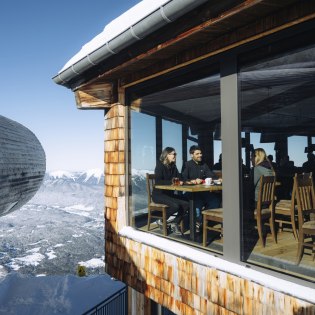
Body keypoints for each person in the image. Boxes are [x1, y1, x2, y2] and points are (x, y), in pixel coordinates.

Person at [182, 145, 221, 231]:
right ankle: (197, 223)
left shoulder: (204, 164)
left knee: (215, 201)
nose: (200, 155)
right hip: (191, 193)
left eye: (200, 153)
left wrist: (218, 179)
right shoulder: (187, 165)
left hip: (203, 192)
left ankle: (202, 220)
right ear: (191, 155)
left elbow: (211, 175)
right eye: (197, 154)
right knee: (198, 205)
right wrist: (193, 181)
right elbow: (183, 178)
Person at [152, 147, 189, 235]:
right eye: (173, 154)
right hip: (158, 195)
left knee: (187, 203)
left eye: (175, 154)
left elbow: (179, 177)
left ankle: (175, 222)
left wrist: (187, 180)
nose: (175, 156)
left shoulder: (173, 166)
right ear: (166, 155)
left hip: (168, 194)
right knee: (175, 206)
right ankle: (161, 220)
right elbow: (158, 182)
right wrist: (172, 182)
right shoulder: (160, 165)